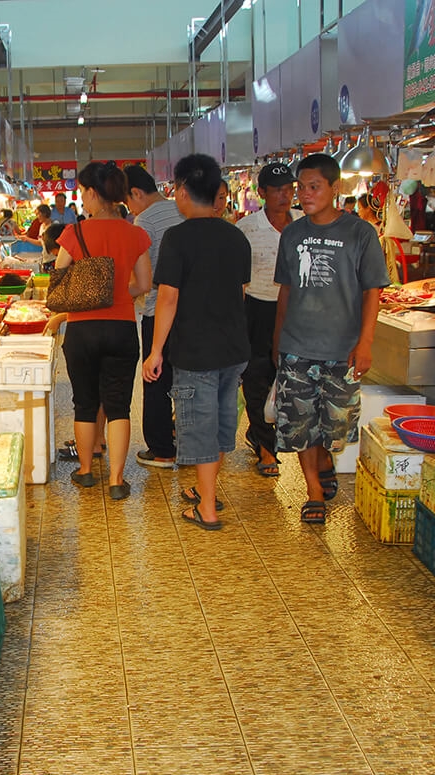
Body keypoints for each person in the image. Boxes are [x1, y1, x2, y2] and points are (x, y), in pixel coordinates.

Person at [272, 153, 388, 525]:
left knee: (335, 428)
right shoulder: (291, 234)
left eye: (314, 187)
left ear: (335, 189)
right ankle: (313, 491)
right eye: (300, 188)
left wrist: (365, 341)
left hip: (342, 347)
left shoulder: (360, 234)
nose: (305, 194)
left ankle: (325, 464)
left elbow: (373, 291)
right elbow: (285, 291)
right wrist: (278, 340)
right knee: (301, 423)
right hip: (297, 345)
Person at [143, 154, 251, 530]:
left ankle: (207, 509)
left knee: (201, 428)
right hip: (233, 349)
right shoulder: (236, 236)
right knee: (220, 426)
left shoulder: (178, 237)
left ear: (183, 191)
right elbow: (239, 293)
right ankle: (206, 490)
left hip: (196, 352)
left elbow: (168, 299)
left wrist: (156, 351)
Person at [52, 161, 152, 500]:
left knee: (84, 403)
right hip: (122, 327)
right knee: (119, 405)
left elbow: (59, 274)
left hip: (82, 330)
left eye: (83, 192)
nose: (83, 199)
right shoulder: (136, 232)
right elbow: (145, 283)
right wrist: (118, 293)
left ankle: (84, 471)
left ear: (93, 193)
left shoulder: (74, 233)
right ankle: (117, 479)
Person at [236, 162, 302, 478]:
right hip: (258, 310)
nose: (284, 195)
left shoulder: (305, 223)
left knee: (293, 380)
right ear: (261, 193)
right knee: (257, 379)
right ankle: (265, 447)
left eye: (289, 189)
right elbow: (237, 282)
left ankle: (277, 438)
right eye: (277, 190)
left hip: (298, 312)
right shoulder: (247, 229)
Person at [124, 163, 183, 468]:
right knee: (186, 377)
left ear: (136, 193)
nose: (129, 207)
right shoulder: (183, 209)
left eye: (127, 201)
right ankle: (188, 441)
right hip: (190, 312)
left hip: (158, 310)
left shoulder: (143, 221)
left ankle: (161, 448)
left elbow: (142, 279)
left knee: (155, 378)